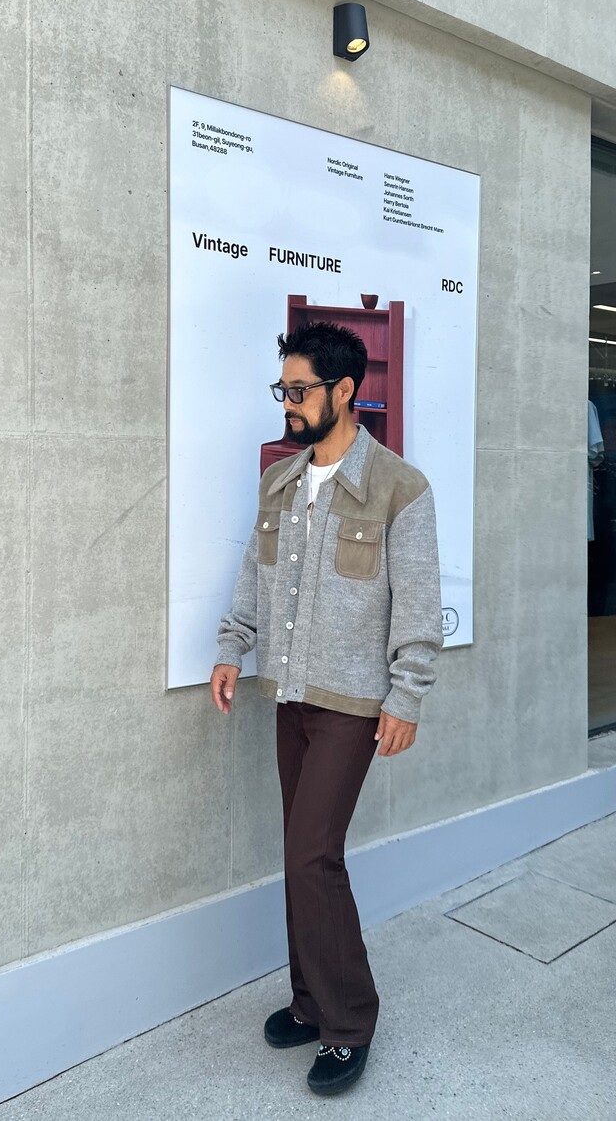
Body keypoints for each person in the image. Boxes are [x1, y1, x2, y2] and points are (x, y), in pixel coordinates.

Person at [210, 320, 443, 1097]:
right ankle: (309, 1001)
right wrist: (232, 646)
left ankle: (349, 1021)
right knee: (299, 853)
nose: (289, 401)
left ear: (345, 391)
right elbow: (254, 577)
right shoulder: (281, 482)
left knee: (314, 854)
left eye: (301, 389)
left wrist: (406, 695)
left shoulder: (400, 488)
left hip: (352, 704)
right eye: (283, 388)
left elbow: (417, 604)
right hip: (290, 694)